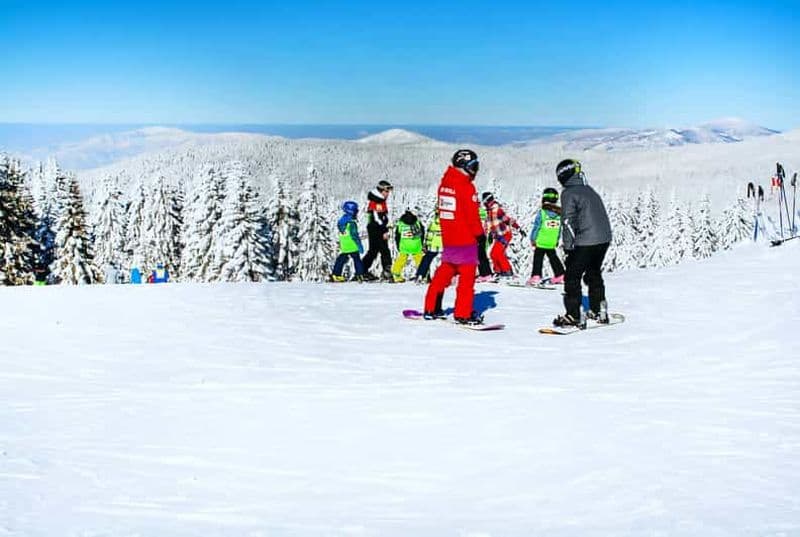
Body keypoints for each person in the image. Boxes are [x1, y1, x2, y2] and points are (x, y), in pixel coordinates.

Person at [423, 149, 485, 325]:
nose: (475, 171)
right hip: (465, 239)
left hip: (449, 239)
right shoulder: (465, 186)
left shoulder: (445, 185)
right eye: (474, 166)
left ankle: (431, 307)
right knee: (466, 279)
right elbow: (471, 215)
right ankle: (463, 313)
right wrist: (480, 235)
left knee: (445, 272)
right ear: (465, 166)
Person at [552, 159, 612, 328]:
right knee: (593, 272)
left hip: (586, 241)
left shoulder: (569, 193)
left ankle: (573, 315)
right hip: (603, 239)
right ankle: (598, 308)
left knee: (572, 276)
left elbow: (568, 222)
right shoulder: (588, 190)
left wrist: (568, 247)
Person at [527, 187, 566, 285]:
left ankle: (536, 276)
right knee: (553, 257)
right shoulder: (559, 214)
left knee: (538, 258)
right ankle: (560, 274)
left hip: (541, 240)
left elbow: (537, 226)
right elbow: (559, 229)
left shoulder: (542, 212)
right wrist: (556, 240)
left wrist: (533, 238)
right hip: (551, 241)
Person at [482, 191, 524, 278]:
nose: (484, 204)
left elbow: (507, 220)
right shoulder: (489, 211)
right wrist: (490, 234)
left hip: (505, 235)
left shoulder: (497, 210)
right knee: (493, 254)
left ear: (487, 200)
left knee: (498, 253)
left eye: (484, 201)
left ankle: (507, 271)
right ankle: (498, 271)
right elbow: (492, 224)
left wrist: (518, 228)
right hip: (498, 236)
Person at [361, 180, 394, 280]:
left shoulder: (379, 200)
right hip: (376, 228)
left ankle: (362, 270)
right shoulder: (377, 201)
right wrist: (384, 230)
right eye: (387, 190)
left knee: (373, 250)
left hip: (375, 227)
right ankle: (387, 271)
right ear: (381, 190)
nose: (388, 193)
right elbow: (377, 218)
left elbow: (381, 217)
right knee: (384, 250)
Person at [330, 201, 366, 282]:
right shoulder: (351, 223)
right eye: (356, 211)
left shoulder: (341, 222)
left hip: (344, 246)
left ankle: (336, 274)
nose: (357, 212)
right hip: (352, 245)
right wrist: (360, 246)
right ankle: (359, 275)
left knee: (341, 259)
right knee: (357, 260)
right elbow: (354, 236)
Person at [391, 209, 424, 282]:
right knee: (419, 260)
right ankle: (422, 275)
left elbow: (397, 236)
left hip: (404, 244)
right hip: (416, 244)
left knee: (401, 260)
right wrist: (421, 243)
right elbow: (422, 233)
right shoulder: (417, 222)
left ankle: (396, 275)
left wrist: (398, 245)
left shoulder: (400, 224)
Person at [414, 211, 442, 283]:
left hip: (433, 245)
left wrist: (426, 245)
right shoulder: (449, 223)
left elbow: (429, 236)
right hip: (445, 246)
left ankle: (421, 274)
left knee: (426, 259)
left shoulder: (433, 223)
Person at [475, 203, 494, 282]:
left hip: (477, 236)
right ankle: (486, 273)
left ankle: (485, 274)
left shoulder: (476, 212)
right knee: (481, 255)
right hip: (483, 236)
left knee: (480, 256)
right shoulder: (482, 212)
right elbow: (487, 224)